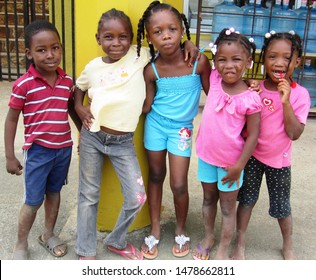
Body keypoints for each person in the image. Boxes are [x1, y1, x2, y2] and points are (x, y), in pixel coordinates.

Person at [74, 8, 199, 260]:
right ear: (98, 39)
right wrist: (79, 108)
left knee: (136, 197)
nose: (116, 43)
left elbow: (169, 44)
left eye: (123, 37)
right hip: (93, 137)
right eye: (108, 37)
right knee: (88, 196)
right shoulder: (92, 67)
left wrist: (188, 41)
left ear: (133, 38)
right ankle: (85, 251)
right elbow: (78, 89)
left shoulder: (140, 55)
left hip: (122, 142)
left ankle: (115, 239)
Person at [136, 1, 212, 259]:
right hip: (155, 127)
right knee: (156, 175)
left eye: (172, 29)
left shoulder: (198, 62)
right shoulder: (151, 69)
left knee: (179, 184)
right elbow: (147, 105)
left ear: (182, 30)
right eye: (158, 32)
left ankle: (181, 227)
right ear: (149, 37)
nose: (166, 36)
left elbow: (215, 96)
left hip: (181, 131)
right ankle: (155, 228)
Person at [4, 20, 81, 260]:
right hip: (38, 152)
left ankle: (48, 234)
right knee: (33, 200)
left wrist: (82, 134)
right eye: (41, 49)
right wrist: (9, 155)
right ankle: (20, 244)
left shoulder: (67, 81)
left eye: (55, 47)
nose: (50, 54)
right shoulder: (23, 85)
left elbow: (70, 109)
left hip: (62, 150)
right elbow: (11, 120)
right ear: (29, 53)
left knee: (54, 192)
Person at [231, 31, 311, 260]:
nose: (278, 63)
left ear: (296, 62)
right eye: (272, 56)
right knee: (246, 201)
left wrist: (285, 102)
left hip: (279, 160)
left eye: (287, 58)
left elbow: (294, 133)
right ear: (263, 59)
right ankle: (240, 243)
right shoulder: (254, 88)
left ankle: (288, 245)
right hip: (253, 156)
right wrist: (248, 89)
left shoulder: (300, 95)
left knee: (282, 207)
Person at [192, 27, 262, 260]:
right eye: (222, 59)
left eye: (236, 60)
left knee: (227, 208)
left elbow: (253, 136)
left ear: (248, 62)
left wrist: (239, 166)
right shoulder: (213, 78)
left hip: (231, 165)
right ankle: (209, 236)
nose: (228, 65)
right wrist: (191, 45)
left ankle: (224, 245)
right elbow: (197, 54)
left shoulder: (251, 98)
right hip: (205, 156)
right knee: (208, 199)